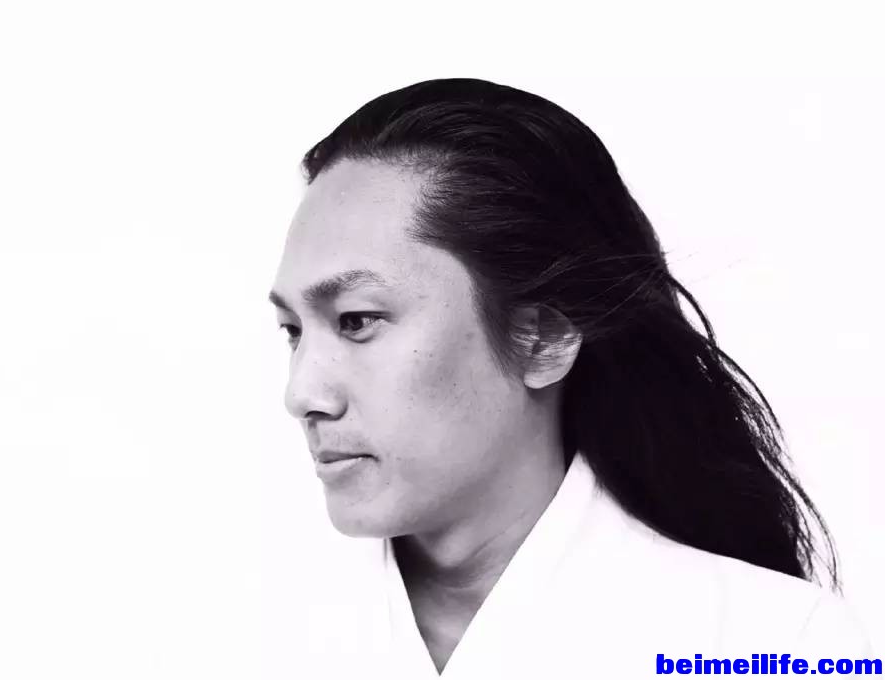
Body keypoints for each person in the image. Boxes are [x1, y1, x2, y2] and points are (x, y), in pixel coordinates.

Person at [266, 78, 874, 678]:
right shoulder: (247, 637)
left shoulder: (781, 645)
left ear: (542, 340)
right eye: (294, 331)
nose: (302, 395)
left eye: (357, 321)